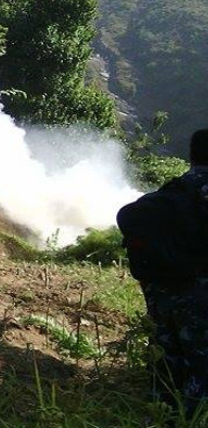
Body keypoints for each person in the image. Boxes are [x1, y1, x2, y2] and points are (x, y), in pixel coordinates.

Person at [120, 129, 208, 416]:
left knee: (165, 361)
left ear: (191, 156)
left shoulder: (173, 191)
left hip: (162, 293)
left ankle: (160, 416)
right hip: (199, 295)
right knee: (200, 365)